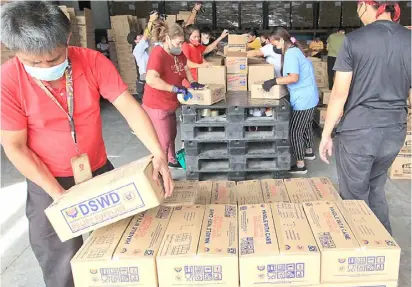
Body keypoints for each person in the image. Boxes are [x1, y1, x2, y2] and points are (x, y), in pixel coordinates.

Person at [0, 2, 174, 287]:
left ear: (67, 40)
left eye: (54, 59)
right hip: (48, 179)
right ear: (13, 50)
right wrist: (57, 194)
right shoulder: (8, 81)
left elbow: (129, 108)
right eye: (34, 63)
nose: (45, 67)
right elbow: (15, 147)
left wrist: (158, 154)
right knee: (59, 257)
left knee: (121, 242)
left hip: (98, 169)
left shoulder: (92, 61)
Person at [319, 1, 411, 234]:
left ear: (366, 6)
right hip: (394, 132)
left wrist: (326, 134)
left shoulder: (355, 40)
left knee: (354, 196)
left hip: (359, 132)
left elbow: (339, 94)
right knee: (376, 188)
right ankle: (384, 249)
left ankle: (363, 254)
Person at [143, 21, 204, 169]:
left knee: (172, 134)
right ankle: (159, 174)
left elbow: (185, 67)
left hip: (171, 103)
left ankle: (172, 159)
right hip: (158, 104)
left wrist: (192, 82)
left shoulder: (179, 53)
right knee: (163, 142)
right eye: (178, 43)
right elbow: (151, 79)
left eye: (182, 42)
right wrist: (174, 88)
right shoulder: (158, 53)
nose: (180, 46)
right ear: (167, 39)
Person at [262, 28, 319, 174]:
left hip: (303, 99)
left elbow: (294, 77)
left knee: (295, 131)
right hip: (310, 96)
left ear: (281, 40)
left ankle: (301, 165)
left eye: (275, 43)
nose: (275, 47)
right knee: (305, 126)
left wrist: (274, 81)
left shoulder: (291, 54)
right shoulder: (295, 49)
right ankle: (309, 151)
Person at [127, 12, 159, 100]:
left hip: (150, 73)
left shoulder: (143, 47)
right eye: (138, 37)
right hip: (146, 76)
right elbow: (145, 36)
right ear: (135, 41)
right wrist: (150, 21)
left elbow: (148, 35)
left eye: (139, 35)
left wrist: (154, 23)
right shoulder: (137, 49)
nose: (140, 36)